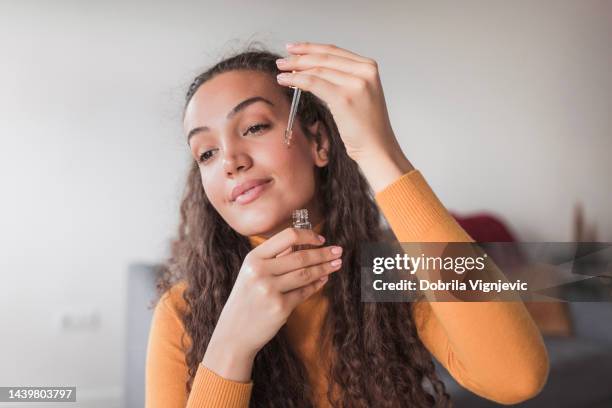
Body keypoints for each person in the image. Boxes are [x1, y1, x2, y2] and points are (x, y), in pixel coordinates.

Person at [145, 41, 549, 407]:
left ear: (319, 143)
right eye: (207, 153)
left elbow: (517, 378)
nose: (231, 160)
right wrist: (232, 344)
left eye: (254, 127)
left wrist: (379, 151)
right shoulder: (182, 311)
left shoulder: (393, 276)